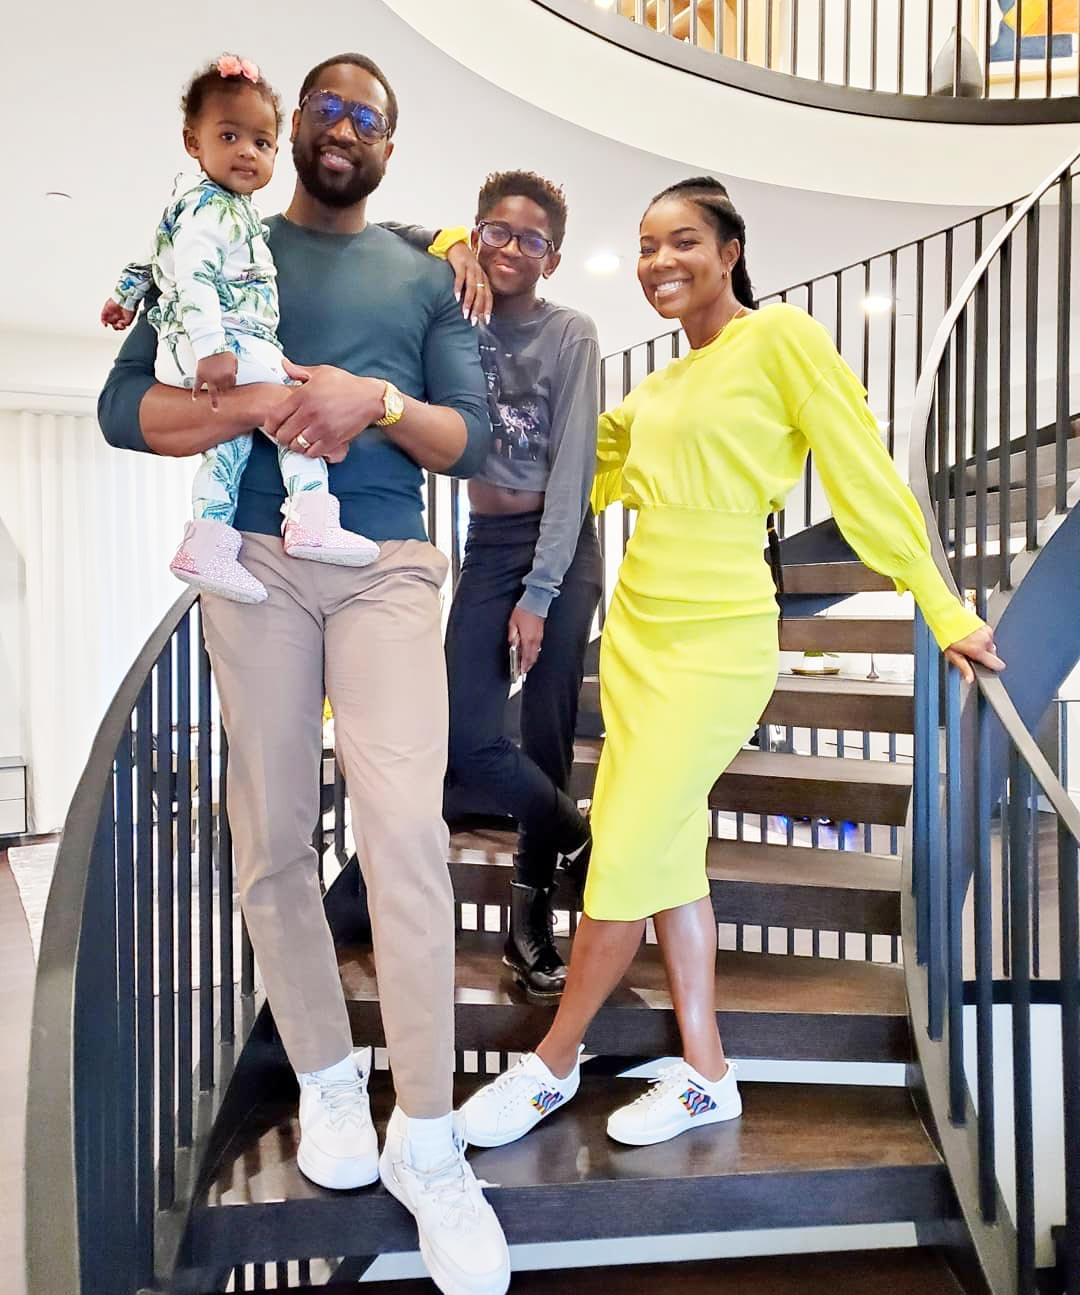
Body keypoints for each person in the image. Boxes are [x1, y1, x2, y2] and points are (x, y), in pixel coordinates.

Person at [459, 176, 1005, 1151]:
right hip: (638, 637)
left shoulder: (782, 340)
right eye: (645, 245)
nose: (659, 262)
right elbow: (569, 468)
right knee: (666, 855)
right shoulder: (657, 390)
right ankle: (707, 1071)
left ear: (729, 251)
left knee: (623, 853)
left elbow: (863, 476)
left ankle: (551, 1063)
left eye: (682, 242)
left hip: (719, 643)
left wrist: (941, 602)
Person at [99, 52, 510, 1295]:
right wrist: (264, 401)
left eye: (365, 117)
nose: (341, 129)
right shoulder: (221, 233)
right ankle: (332, 1082)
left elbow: (469, 437)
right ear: (284, 131)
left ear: (391, 142)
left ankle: (428, 1136)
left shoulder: (426, 267)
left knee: (403, 835)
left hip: (385, 564)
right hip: (259, 567)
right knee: (268, 829)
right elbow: (130, 409)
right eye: (322, 109)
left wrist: (369, 394)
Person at [102, 54, 381, 603]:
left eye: (262, 142)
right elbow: (197, 274)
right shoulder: (214, 210)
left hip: (215, 345)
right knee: (300, 406)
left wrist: (123, 297)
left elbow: (155, 259)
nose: (248, 152)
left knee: (226, 446)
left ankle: (205, 544)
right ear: (193, 141)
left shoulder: (197, 207)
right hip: (224, 341)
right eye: (229, 136)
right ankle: (310, 520)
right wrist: (212, 349)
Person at [440, 171, 602, 999]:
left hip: (560, 549)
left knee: (545, 734)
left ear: (554, 257)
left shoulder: (570, 332)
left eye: (531, 239)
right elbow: (387, 230)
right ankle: (576, 833)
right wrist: (448, 247)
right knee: (463, 734)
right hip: (484, 539)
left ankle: (529, 923)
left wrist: (540, 592)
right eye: (494, 231)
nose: (510, 248)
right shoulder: (451, 311)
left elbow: (574, 468)